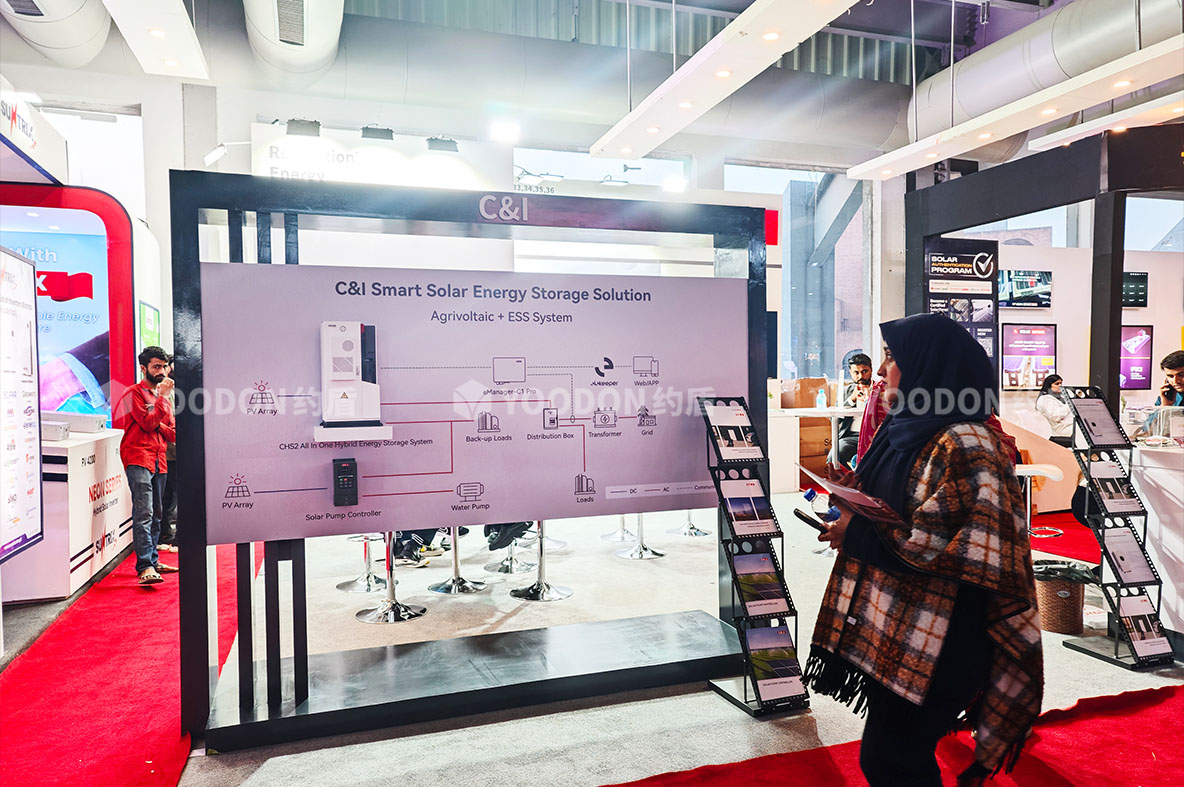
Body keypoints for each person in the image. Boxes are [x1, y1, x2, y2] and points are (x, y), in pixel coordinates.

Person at [804, 314, 1043, 786]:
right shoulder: (905, 429)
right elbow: (902, 509)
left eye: (892, 358)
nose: (880, 371)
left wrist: (855, 533)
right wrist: (853, 494)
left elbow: (947, 549)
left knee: (893, 761)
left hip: (945, 637)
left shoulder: (968, 444)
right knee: (894, 758)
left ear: (928, 368)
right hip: (901, 625)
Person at [113, 347, 177, 585]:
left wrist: (158, 418)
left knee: (158, 514)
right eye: (156, 366)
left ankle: (153, 560)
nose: (162, 371)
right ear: (143, 368)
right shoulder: (133, 393)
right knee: (144, 512)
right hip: (138, 456)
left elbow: (173, 434)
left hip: (160, 459)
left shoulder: (163, 399)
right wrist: (161, 402)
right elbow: (149, 424)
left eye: (164, 366)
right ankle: (145, 566)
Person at [830, 353, 872, 469]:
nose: (860, 376)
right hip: (851, 437)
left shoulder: (880, 389)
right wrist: (851, 400)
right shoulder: (845, 391)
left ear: (871, 370)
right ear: (850, 373)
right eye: (856, 373)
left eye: (864, 371)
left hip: (872, 435)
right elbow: (834, 419)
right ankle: (848, 479)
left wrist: (869, 399)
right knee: (834, 457)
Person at [1134, 350, 1184, 438]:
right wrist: (1164, 406)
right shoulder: (1166, 397)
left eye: (1181, 375)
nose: (1175, 381)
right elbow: (1148, 430)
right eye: (1170, 376)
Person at [1035, 374, 1074, 447]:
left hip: (1069, 425)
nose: (1060, 385)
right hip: (1061, 429)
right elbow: (1055, 417)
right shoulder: (1045, 399)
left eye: (1061, 383)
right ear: (1049, 385)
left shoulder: (1061, 397)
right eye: (1057, 384)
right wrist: (1070, 403)